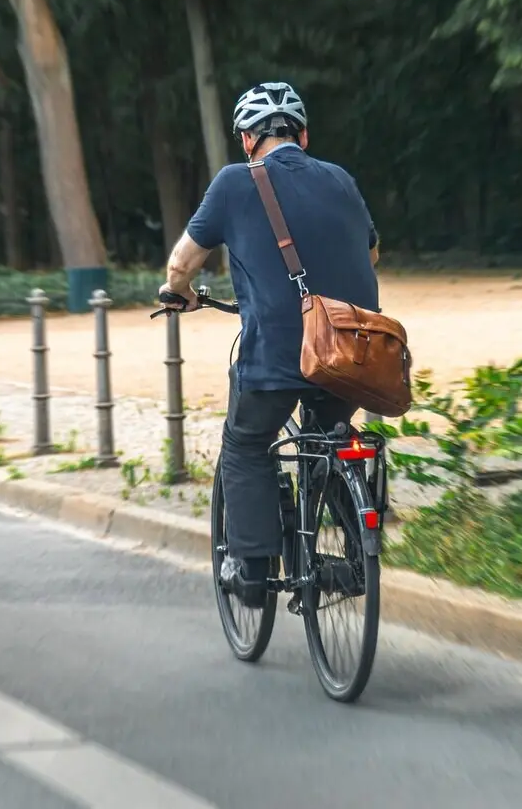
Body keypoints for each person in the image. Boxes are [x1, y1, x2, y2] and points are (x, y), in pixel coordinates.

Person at [159, 82, 381, 607]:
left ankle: (253, 571)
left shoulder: (235, 183)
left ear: (246, 140)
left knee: (245, 444)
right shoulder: (342, 180)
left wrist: (178, 294)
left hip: (278, 354)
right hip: (350, 352)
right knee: (331, 439)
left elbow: (180, 265)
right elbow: (371, 255)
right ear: (302, 135)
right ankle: (355, 557)